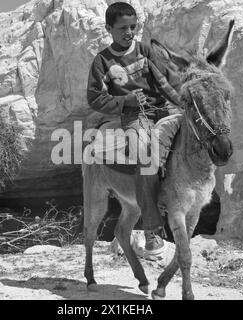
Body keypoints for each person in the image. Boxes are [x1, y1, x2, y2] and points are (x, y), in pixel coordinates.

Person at [86, 2, 182, 256]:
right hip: (134, 116)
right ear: (109, 28)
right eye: (122, 28)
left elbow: (169, 81)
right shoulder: (102, 61)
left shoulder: (146, 50)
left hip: (163, 110)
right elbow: (94, 98)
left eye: (133, 26)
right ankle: (151, 231)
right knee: (144, 155)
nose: (129, 32)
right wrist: (123, 101)